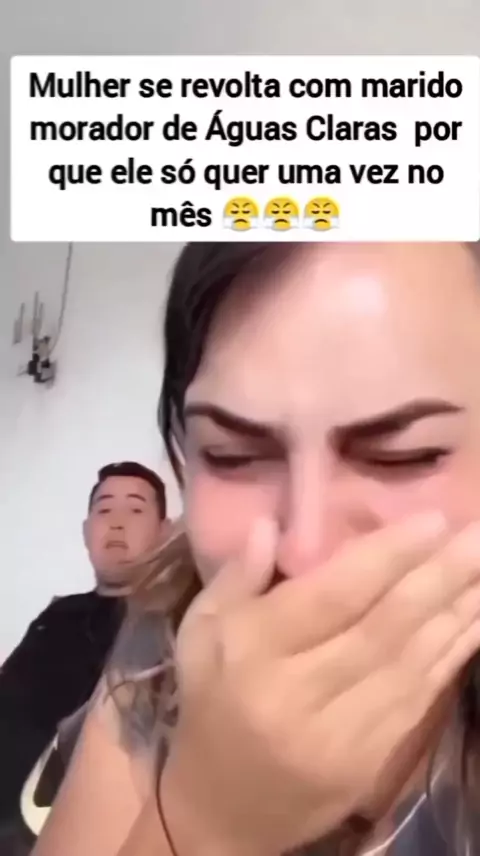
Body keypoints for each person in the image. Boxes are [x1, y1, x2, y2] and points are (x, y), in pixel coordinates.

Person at [32, 241, 480, 856]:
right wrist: (205, 820)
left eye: (403, 456)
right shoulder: (175, 624)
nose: (304, 552)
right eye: (232, 455)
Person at [0, 461, 170, 853]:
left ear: (164, 531)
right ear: (86, 530)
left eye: (136, 509)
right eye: (104, 509)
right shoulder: (57, 615)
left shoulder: (173, 620)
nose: (117, 523)